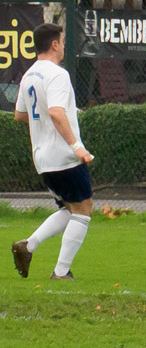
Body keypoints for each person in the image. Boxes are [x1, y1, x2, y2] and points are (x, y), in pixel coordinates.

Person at [10, 23, 94, 281]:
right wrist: (77, 147)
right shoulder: (58, 74)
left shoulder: (29, 75)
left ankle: (28, 246)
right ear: (55, 44)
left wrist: (52, 116)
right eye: (63, 41)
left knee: (70, 209)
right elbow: (56, 112)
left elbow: (20, 115)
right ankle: (61, 272)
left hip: (43, 158)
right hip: (64, 156)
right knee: (83, 210)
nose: (64, 46)